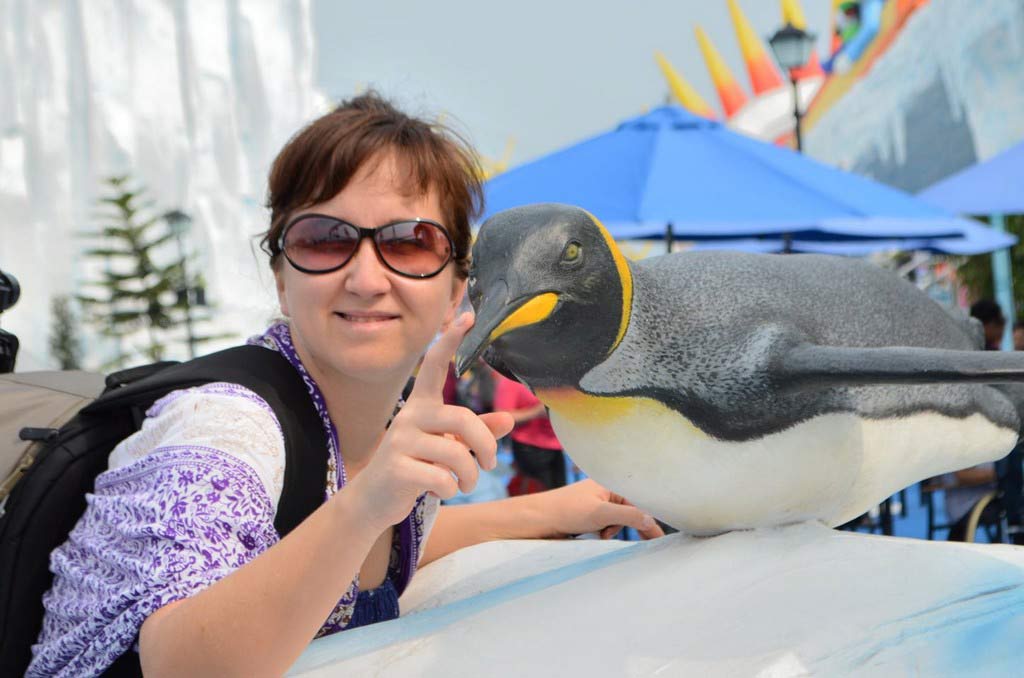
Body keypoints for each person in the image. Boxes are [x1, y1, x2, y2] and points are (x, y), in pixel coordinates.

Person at [28, 93, 661, 677]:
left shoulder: (382, 428)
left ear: (456, 286)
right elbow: (176, 661)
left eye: (410, 243)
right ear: (281, 275)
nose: (365, 278)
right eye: (324, 239)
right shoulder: (222, 426)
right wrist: (369, 501)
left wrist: (553, 510)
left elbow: (360, 544)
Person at [493, 373, 568, 494]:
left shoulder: (553, 378)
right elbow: (501, 416)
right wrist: (536, 412)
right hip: (529, 447)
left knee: (561, 492)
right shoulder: (512, 381)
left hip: (556, 445)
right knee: (540, 497)